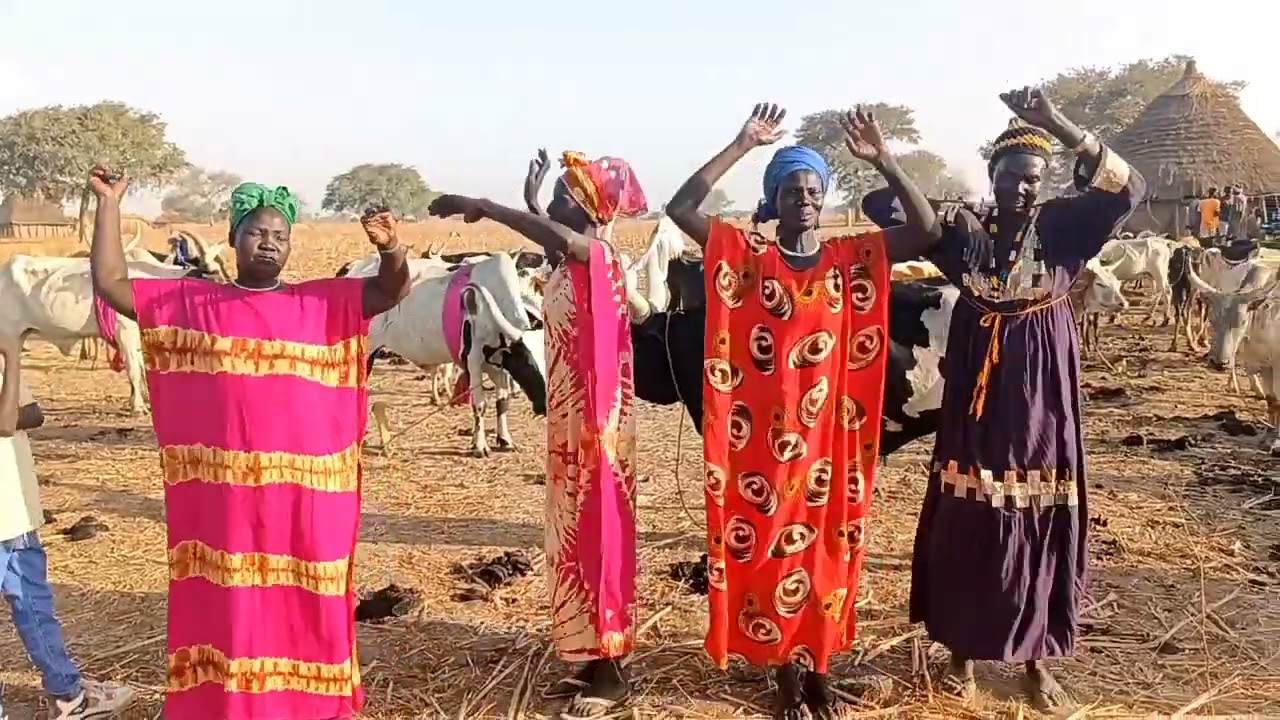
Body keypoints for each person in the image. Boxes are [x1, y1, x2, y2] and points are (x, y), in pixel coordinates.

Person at [87, 169, 411, 720]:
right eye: (257, 232)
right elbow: (112, 282)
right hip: (227, 498)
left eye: (280, 236)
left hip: (308, 495)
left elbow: (390, 290)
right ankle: (231, 704)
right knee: (232, 603)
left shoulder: (322, 303)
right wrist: (110, 205)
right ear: (233, 239)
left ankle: (306, 704)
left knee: (308, 596)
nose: (269, 242)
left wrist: (393, 249)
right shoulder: (192, 304)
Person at [664, 103, 943, 720]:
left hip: (831, 438)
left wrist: (886, 161)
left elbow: (925, 232)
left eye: (815, 189)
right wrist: (741, 143)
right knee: (769, 551)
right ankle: (782, 670)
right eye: (793, 190)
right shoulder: (747, 255)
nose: (807, 199)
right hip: (761, 441)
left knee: (828, 553)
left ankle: (819, 667)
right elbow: (680, 209)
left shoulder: (851, 259)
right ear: (774, 199)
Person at [897, 87, 1145, 712]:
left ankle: (1036, 661)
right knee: (969, 511)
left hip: (1042, 396)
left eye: (1034, 179)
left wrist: (1058, 123)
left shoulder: (1064, 229)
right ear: (992, 177)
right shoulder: (966, 235)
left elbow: (1128, 189)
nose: (1024, 190)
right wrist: (919, 187)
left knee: (1039, 514)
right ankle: (960, 653)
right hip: (976, 401)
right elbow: (888, 208)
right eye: (1012, 178)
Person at [428, 151, 648, 720]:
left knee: (600, 537)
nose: (551, 201)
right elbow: (552, 237)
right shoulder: (571, 260)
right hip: (571, 424)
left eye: (560, 194)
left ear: (579, 206)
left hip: (599, 427)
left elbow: (560, 237)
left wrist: (481, 205)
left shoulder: (598, 256)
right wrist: (530, 199)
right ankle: (587, 653)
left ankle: (614, 669)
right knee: (573, 537)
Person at [0, 339, 136, 720]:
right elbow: (6, 421)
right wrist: (11, 356)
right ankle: (66, 693)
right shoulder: (3, 355)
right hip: (6, 513)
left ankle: (67, 692)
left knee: (35, 606)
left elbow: (33, 414)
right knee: (32, 604)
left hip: (15, 508)